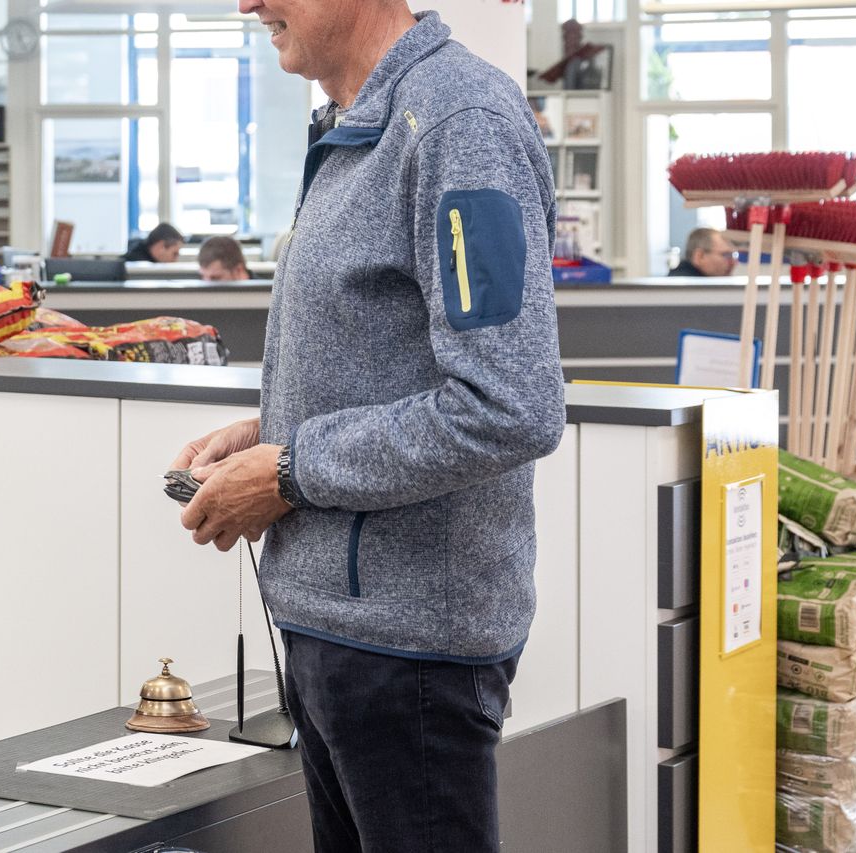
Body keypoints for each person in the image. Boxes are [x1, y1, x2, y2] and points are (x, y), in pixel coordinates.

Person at [173, 2, 564, 850]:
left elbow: (508, 403)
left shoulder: (460, 123)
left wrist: (288, 469)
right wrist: (271, 431)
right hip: (341, 638)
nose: (247, 3)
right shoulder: (364, 124)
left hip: (409, 655)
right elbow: (391, 361)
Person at [670, 227, 736, 277]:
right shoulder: (682, 288)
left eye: (733, 255)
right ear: (699, 256)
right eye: (726, 255)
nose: (733, 262)